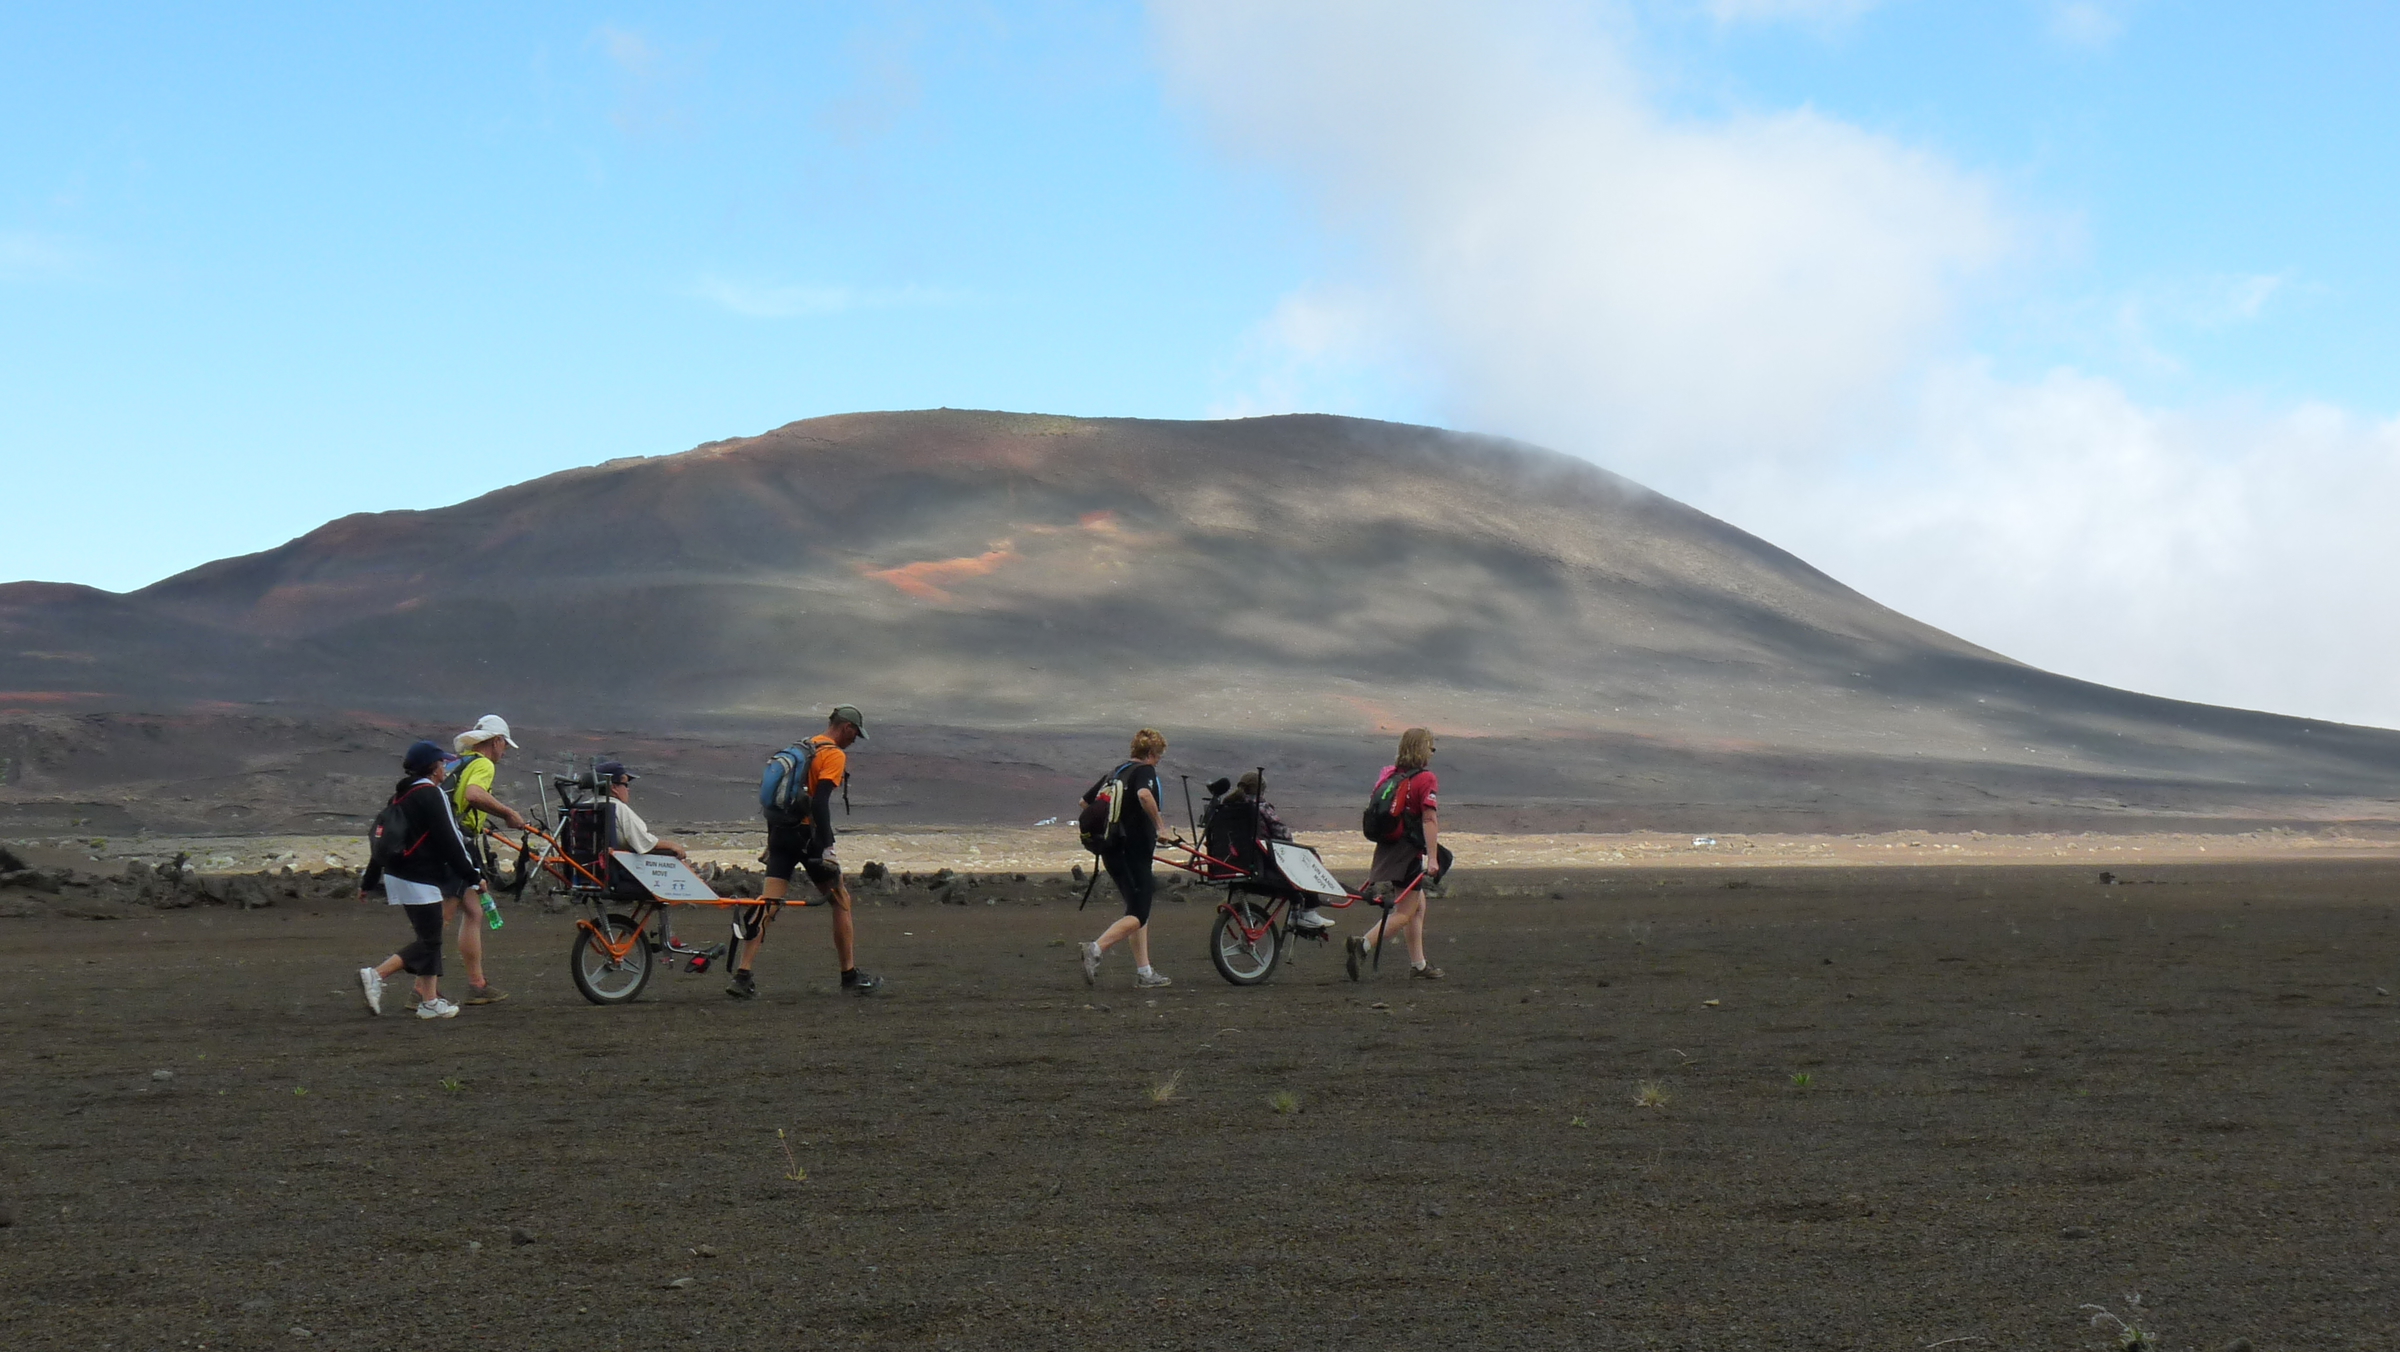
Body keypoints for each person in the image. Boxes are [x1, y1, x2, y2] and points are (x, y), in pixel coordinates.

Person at [730, 705, 882, 999]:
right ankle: (849, 975)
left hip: (780, 835)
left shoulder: (803, 747)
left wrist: (772, 840)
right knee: (840, 900)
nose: (854, 741)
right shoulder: (833, 754)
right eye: (855, 735)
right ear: (847, 727)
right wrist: (828, 847)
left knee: (769, 903)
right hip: (807, 836)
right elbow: (820, 803)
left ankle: (742, 974)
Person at [358, 740, 487, 1020]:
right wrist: (473, 875)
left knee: (431, 936)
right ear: (433, 767)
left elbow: (381, 841)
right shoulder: (432, 794)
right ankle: (376, 975)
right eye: (443, 763)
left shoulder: (399, 797)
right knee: (430, 941)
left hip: (397, 875)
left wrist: (368, 882)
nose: (445, 768)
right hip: (420, 876)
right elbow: (451, 840)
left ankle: (429, 1002)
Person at [1347, 727, 1453, 982]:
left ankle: (1419, 964)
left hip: (1387, 847)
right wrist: (1433, 858)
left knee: (1417, 906)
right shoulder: (1425, 779)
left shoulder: (1390, 775)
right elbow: (1429, 818)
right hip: (1407, 852)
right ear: (1423, 749)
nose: (1432, 753)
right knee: (1404, 912)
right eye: (1431, 747)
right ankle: (1362, 944)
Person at [443, 714, 528, 1005]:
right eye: (504, 746)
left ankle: (477, 984)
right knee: (442, 918)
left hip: (452, 839)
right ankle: (397, 980)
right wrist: (506, 813)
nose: (504, 752)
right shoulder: (483, 764)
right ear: (497, 741)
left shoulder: (459, 762)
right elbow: (474, 794)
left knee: (474, 910)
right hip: (458, 843)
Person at [1080, 728, 1172, 989]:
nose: (1158, 762)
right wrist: (1160, 827)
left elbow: (1084, 803)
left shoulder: (1116, 773)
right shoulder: (1144, 771)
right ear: (1151, 754)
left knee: (1136, 911)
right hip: (1133, 852)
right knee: (1139, 913)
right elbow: (1144, 795)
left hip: (1111, 850)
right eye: (1159, 757)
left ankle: (1145, 973)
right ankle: (1095, 949)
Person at [1214, 771, 1332, 932]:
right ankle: (1308, 912)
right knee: (1309, 859)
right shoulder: (1261, 807)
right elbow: (1283, 834)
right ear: (1261, 790)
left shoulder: (1227, 808)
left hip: (1235, 863)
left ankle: (1297, 910)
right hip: (1265, 863)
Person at [594, 759, 687, 860]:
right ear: (614, 787)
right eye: (626, 785)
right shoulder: (617, 808)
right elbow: (644, 842)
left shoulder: (583, 807)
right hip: (618, 867)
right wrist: (672, 845)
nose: (628, 789)